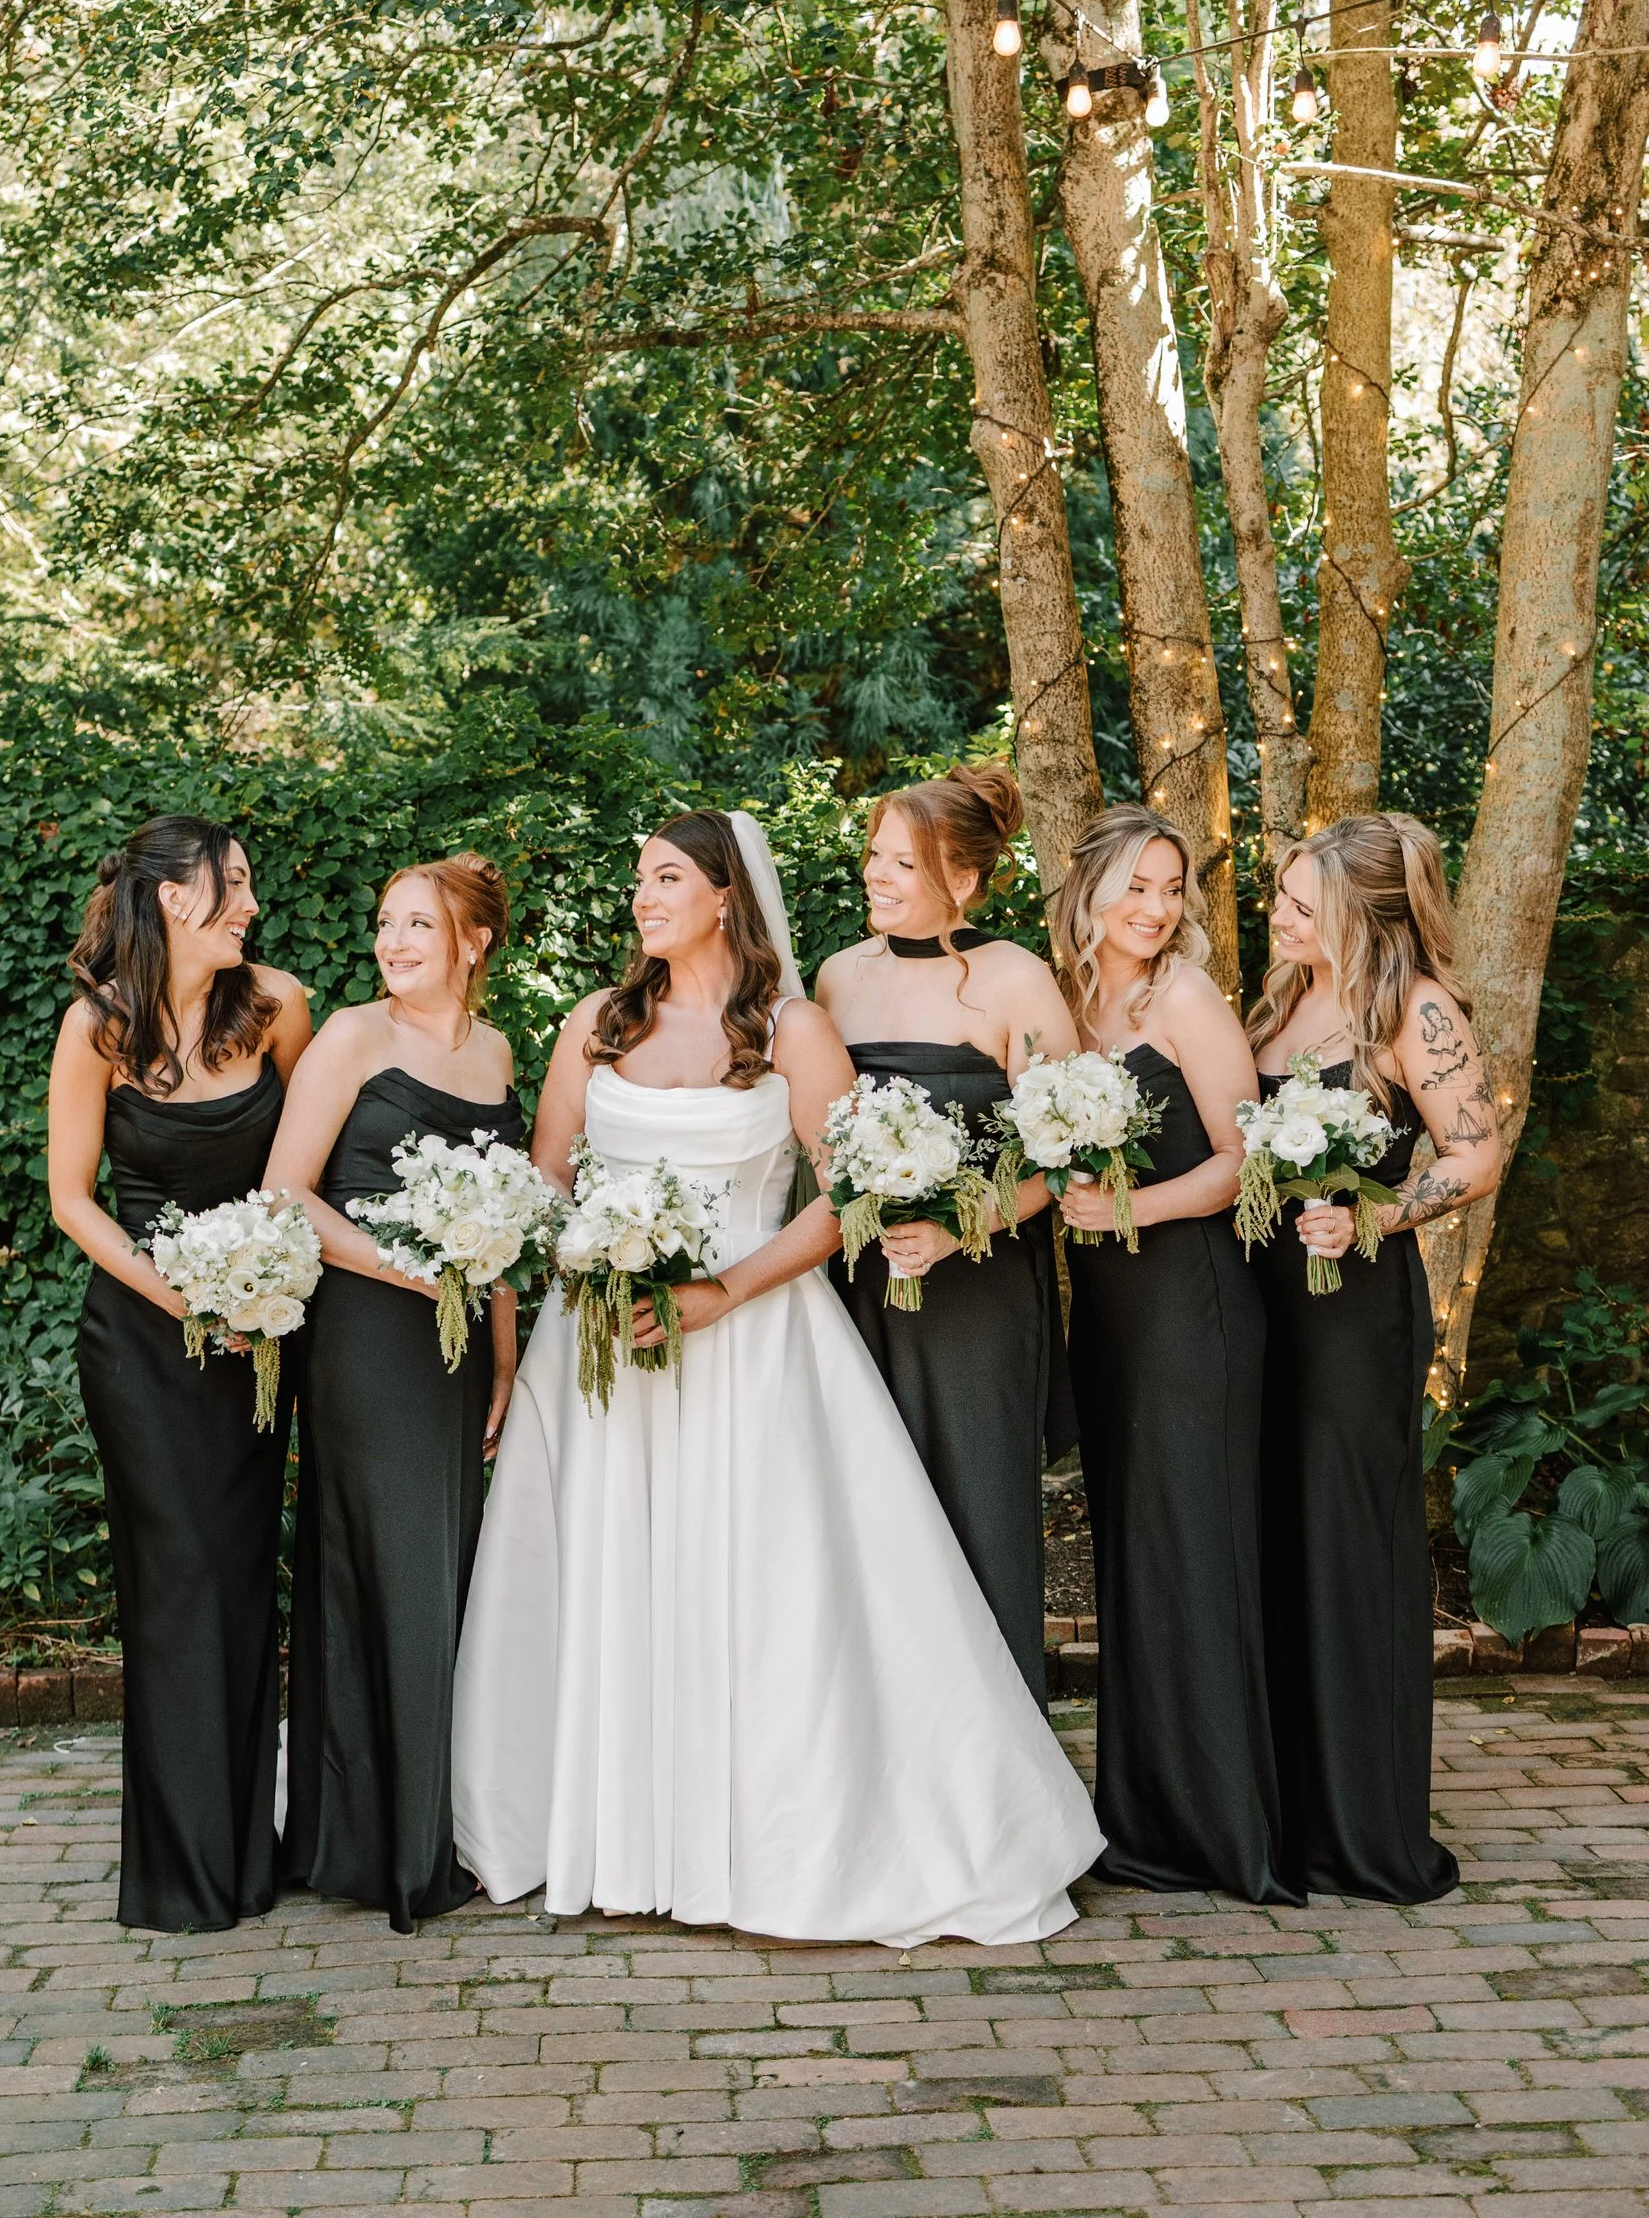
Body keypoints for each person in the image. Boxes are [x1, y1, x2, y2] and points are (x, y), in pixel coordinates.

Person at [452, 809, 1103, 1944]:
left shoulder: (795, 1028)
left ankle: (770, 1844)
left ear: (724, 897)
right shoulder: (597, 1023)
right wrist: (577, 1262)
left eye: (667, 877)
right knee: (609, 1574)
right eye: (640, 878)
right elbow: (546, 1180)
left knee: (759, 1588)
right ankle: (607, 1833)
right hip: (603, 1349)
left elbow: (848, 1195)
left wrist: (723, 1290)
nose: (644, 897)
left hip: (753, 1342)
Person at [47, 817, 312, 1932]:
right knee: (176, 1580)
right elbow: (72, 1200)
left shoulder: (280, 1006)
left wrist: (266, 1293)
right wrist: (186, 1299)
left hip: (258, 1346)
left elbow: (308, 1173)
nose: (249, 904)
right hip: (145, 1347)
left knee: (243, 1576)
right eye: (231, 885)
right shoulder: (97, 1028)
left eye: (248, 884)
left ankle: (246, 1857)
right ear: (169, 898)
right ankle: (177, 1870)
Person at [263, 852, 522, 1933]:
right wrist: (406, 1271)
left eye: (419, 923)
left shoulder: (497, 1052)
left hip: (460, 1352)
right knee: (392, 1568)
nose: (394, 941)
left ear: (474, 941)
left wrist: (504, 1357)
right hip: (368, 1336)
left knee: (449, 1568)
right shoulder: (351, 1038)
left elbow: (506, 1227)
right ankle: (399, 1851)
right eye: (386, 922)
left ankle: (405, 1826)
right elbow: (285, 1192)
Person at [1250, 813, 1500, 1903]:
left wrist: (1379, 1217)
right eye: (1282, 896)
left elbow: (1476, 1152)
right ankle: (1285, 1805)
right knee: (1274, 1534)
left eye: (1303, 904)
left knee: (1347, 1540)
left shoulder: (1415, 1009)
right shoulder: (1281, 1001)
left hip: (1351, 1313)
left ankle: (1363, 1821)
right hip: (1262, 1303)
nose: (1279, 915)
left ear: (1362, 913)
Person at [1055, 805, 1296, 1906]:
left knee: (1196, 1550)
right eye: (1137, 887)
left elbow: (1247, 1161)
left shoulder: (1186, 999)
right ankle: (1144, 1816)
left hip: (1192, 1304)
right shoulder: (1063, 1003)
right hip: (1109, 1318)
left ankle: (1223, 1828)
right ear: (1092, 890)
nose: (1156, 909)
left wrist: (1129, 1210)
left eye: (1170, 888)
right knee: (1136, 1554)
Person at [814, 763, 1077, 1704]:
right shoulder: (837, 977)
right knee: (868, 1515)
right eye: (875, 856)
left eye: (902, 863)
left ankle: (999, 1754)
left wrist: (964, 1229)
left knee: (975, 1505)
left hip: (979, 1294)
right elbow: (820, 1136)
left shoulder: (1017, 980)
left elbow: (1070, 1154)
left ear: (962, 880)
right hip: (861, 1286)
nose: (876, 876)